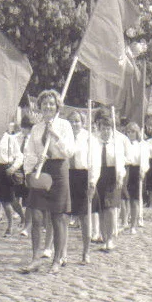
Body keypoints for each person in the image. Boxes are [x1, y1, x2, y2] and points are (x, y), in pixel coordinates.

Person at [21, 89, 75, 275]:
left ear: (57, 106)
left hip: (58, 171)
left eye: (51, 103)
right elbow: (29, 152)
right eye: (45, 104)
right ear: (40, 107)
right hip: (41, 170)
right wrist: (29, 171)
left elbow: (69, 152)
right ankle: (35, 258)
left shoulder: (64, 125)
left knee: (57, 217)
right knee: (36, 215)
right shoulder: (36, 128)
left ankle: (57, 260)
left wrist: (56, 137)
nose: (48, 107)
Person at [89, 111, 126, 252]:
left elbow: (121, 163)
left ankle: (110, 238)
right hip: (99, 175)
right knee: (102, 209)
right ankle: (104, 237)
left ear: (112, 129)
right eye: (103, 128)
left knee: (110, 208)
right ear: (99, 128)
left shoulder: (116, 144)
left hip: (112, 176)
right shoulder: (95, 142)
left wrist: (120, 177)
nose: (105, 131)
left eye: (108, 128)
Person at [0, 122, 24, 239]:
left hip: (5, 170)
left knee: (6, 202)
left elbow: (19, 156)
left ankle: (10, 225)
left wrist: (13, 168)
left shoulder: (10, 139)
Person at [66, 111, 94, 265]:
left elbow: (94, 161)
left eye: (77, 121)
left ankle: (86, 252)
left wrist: (92, 182)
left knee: (84, 216)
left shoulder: (89, 138)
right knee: (64, 215)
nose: (74, 124)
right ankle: (62, 252)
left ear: (83, 122)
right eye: (71, 121)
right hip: (67, 175)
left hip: (83, 176)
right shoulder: (65, 136)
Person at [123, 122, 145, 234]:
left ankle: (133, 225)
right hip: (125, 170)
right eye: (128, 131)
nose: (130, 134)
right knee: (124, 198)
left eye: (133, 132)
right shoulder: (123, 143)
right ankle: (124, 221)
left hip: (135, 171)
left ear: (137, 133)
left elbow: (144, 160)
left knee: (134, 199)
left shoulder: (141, 145)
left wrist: (143, 171)